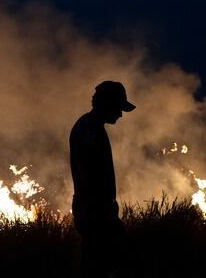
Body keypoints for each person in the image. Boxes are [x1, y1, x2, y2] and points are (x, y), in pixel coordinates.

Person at [69, 80, 135, 277]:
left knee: (97, 265)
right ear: (106, 103)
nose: (120, 114)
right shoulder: (89, 130)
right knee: (107, 264)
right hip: (96, 212)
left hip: (95, 210)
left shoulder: (91, 127)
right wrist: (101, 208)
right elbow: (86, 171)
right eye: (118, 107)